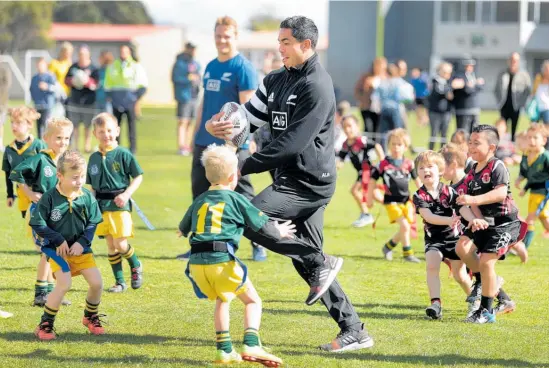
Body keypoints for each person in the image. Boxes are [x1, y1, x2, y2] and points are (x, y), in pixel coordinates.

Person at [206, 16, 373, 352]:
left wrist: (242, 165)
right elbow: (247, 120)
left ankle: (320, 263)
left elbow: (291, 144)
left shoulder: (318, 86)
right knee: (310, 264)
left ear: (305, 45)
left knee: (247, 217)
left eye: (285, 42)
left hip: (310, 184)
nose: (278, 48)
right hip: (290, 179)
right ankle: (354, 329)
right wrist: (221, 127)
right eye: (279, 41)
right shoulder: (275, 79)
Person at [178, 144, 287, 366]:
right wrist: (280, 231)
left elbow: (183, 226)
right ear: (231, 178)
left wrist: (182, 231)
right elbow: (261, 224)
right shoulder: (236, 199)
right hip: (221, 261)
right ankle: (251, 344)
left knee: (222, 299)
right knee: (253, 301)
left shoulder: (200, 200)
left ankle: (224, 350)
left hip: (196, 264)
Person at [180, 16, 265, 262]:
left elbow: (250, 110)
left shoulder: (243, 68)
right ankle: (199, 245)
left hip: (233, 145)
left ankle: (259, 243)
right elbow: (203, 104)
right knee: (200, 194)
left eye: (227, 36)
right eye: (218, 36)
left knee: (243, 195)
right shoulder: (210, 66)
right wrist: (196, 133)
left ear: (235, 37)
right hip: (204, 142)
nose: (222, 40)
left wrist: (246, 140)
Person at [30, 150, 105, 341]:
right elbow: (38, 224)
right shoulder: (49, 198)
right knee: (64, 284)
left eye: (81, 176)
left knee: (97, 284)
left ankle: (90, 316)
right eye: (74, 177)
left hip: (81, 250)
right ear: (59, 176)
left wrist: (82, 242)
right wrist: (58, 239)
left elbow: (92, 222)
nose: (79, 181)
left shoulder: (87, 197)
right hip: (56, 251)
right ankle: (45, 325)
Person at [455, 125, 526, 323]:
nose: (471, 146)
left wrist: (473, 201)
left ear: (492, 148)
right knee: (462, 248)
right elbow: (471, 200)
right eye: (470, 142)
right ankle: (490, 287)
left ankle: (485, 312)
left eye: (477, 143)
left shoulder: (497, 166)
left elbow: (500, 193)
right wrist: (476, 218)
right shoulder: (471, 171)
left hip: (505, 223)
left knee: (486, 262)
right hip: (486, 222)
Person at [9, 118, 73, 307]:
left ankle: (51, 293)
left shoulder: (65, 161)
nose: (63, 142)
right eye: (58, 137)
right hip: (41, 212)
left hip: (58, 212)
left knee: (53, 252)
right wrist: (28, 193)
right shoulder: (40, 159)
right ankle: (40, 294)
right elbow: (16, 173)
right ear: (46, 138)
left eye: (66, 138)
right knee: (48, 251)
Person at [413, 150, 475, 319]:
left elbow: (463, 208)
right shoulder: (419, 195)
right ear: (417, 173)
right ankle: (436, 304)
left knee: (460, 275)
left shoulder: (449, 191)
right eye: (421, 168)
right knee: (432, 266)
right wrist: (448, 220)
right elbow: (428, 217)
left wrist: (472, 220)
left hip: (454, 239)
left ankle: (474, 302)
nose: (426, 170)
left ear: (440, 170)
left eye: (430, 167)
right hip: (434, 240)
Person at [86, 113, 144, 293]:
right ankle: (120, 282)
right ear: (95, 134)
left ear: (117, 131)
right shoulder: (94, 158)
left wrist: (126, 195)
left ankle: (135, 265)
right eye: (101, 131)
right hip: (102, 208)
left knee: (120, 244)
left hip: (120, 205)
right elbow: (91, 187)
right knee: (110, 245)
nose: (106, 135)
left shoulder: (123, 154)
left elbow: (138, 177)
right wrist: (91, 205)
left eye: (110, 130)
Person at [367, 128, 421, 263]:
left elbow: (418, 182)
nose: (396, 147)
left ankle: (387, 247)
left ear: (405, 147)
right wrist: (369, 198)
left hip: (406, 201)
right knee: (405, 226)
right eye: (393, 144)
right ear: (388, 145)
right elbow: (372, 181)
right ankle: (408, 254)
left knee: (405, 227)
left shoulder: (409, 164)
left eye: (399, 144)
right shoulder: (383, 164)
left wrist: (426, 196)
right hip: (391, 202)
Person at [337, 115, 384, 227]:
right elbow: (341, 159)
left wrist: (382, 161)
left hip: (367, 171)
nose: (347, 129)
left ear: (357, 127)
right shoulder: (345, 144)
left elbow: (376, 145)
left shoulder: (361, 141)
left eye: (350, 126)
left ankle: (366, 215)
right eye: (345, 127)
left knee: (354, 190)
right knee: (376, 196)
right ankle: (397, 208)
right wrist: (336, 168)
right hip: (361, 173)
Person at [3, 107, 47, 219]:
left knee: (41, 224)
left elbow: (48, 169)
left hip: (39, 192)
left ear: (29, 124)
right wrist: (10, 195)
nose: (14, 126)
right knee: (28, 223)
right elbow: (8, 173)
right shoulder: (9, 149)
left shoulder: (39, 145)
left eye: (18, 122)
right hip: (22, 192)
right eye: (12, 122)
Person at [104, 45, 148, 154]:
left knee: (131, 126)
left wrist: (135, 98)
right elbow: (107, 83)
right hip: (116, 101)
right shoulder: (113, 66)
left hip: (130, 101)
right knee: (115, 126)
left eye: (125, 51)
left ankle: (133, 148)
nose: (123, 53)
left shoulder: (135, 66)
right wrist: (110, 96)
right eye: (121, 51)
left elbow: (143, 85)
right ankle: (115, 147)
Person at [515, 124, 549, 248]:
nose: (531, 141)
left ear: (544, 140)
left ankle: (523, 248)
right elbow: (524, 173)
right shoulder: (525, 155)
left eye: (535, 138)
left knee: (530, 219)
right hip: (533, 192)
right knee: (543, 218)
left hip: (544, 191)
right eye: (529, 137)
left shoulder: (545, 157)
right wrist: (519, 180)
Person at [65, 45, 99, 153]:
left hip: (89, 101)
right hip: (74, 101)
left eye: (84, 54)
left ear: (88, 55)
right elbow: (66, 80)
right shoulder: (73, 67)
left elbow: (96, 83)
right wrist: (74, 81)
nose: (82, 56)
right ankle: (75, 145)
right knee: (74, 125)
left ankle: (87, 145)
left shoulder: (93, 68)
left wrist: (87, 82)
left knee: (87, 125)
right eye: (80, 54)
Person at [494, 52, 532, 141]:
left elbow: (527, 91)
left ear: (518, 61)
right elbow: (496, 89)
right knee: (502, 126)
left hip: (516, 105)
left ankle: (512, 144)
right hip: (504, 104)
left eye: (515, 60)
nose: (513, 62)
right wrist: (499, 100)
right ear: (509, 61)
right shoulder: (503, 73)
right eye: (512, 60)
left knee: (514, 127)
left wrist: (522, 103)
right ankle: (502, 144)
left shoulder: (523, 75)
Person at [172, 42, 201, 156]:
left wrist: (197, 79)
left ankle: (188, 145)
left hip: (194, 96)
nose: (193, 51)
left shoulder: (195, 63)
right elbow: (176, 78)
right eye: (191, 49)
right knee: (182, 121)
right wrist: (188, 79)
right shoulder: (179, 63)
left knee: (191, 121)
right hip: (184, 96)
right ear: (187, 49)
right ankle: (181, 146)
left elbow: (198, 75)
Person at [355, 57, 387, 137]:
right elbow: (357, 90)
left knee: (377, 129)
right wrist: (363, 99)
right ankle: (367, 146)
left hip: (379, 109)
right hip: (367, 108)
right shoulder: (366, 77)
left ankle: (374, 146)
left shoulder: (385, 79)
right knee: (368, 127)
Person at [451, 58, 484, 134]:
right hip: (463, 109)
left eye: (471, 65)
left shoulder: (474, 75)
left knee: (474, 132)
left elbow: (481, 86)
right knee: (463, 133)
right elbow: (466, 90)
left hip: (474, 109)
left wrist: (473, 85)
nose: (470, 67)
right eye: (468, 65)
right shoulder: (459, 76)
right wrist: (473, 85)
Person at [427, 62, 454, 150]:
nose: (448, 74)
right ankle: (430, 153)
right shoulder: (435, 81)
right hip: (435, 112)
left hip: (446, 112)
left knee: (444, 134)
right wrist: (447, 91)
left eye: (449, 72)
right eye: (446, 72)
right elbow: (437, 91)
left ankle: (443, 153)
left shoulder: (449, 82)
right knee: (434, 134)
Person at [30, 58, 57, 138]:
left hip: (47, 106)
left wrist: (47, 87)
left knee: (46, 125)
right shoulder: (34, 78)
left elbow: (56, 88)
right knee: (38, 127)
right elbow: (31, 90)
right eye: (38, 65)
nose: (40, 67)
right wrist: (34, 101)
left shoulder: (50, 76)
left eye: (41, 65)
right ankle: (40, 144)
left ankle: (47, 143)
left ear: (46, 66)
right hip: (37, 105)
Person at [0, 62, 12, 152]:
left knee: (0, 123)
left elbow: (7, 84)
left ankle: (0, 143)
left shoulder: (4, 70)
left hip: (1, 102)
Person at [534, 60, 549, 125]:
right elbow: (534, 90)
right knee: (534, 126)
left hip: (546, 107)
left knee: (547, 127)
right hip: (537, 107)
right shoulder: (538, 78)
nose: (547, 71)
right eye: (545, 69)